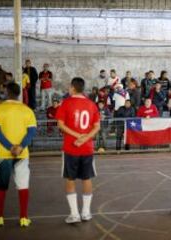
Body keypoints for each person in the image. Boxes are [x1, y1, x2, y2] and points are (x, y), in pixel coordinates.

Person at [0, 82, 37, 227]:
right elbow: (31, 132)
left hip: (4, 154)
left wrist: (10, 147)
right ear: (18, 94)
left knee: (1, 186)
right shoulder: (27, 110)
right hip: (22, 155)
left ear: (6, 92)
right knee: (23, 185)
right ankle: (23, 218)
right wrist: (20, 147)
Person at [56, 77, 100, 224]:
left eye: (70, 87)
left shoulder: (66, 103)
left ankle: (74, 214)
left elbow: (61, 125)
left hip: (71, 147)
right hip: (87, 148)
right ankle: (86, 213)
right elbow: (97, 127)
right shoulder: (91, 104)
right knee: (87, 179)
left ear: (73, 88)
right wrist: (85, 137)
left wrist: (77, 136)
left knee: (70, 179)